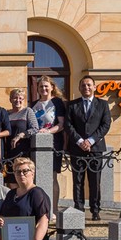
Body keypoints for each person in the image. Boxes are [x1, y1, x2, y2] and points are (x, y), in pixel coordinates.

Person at [32, 76, 67, 213]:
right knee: (36, 176)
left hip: (53, 144)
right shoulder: (34, 105)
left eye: (46, 86)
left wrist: (47, 132)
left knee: (52, 176)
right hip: (35, 145)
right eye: (41, 86)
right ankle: (40, 208)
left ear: (52, 87)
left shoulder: (57, 103)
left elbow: (61, 125)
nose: (44, 89)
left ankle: (53, 208)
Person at [6, 88, 39, 176]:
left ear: (24, 100)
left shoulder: (28, 111)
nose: (18, 100)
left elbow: (35, 128)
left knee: (22, 177)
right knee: (11, 179)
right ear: (10, 100)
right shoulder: (6, 113)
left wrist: (21, 135)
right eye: (15, 98)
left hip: (23, 151)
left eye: (20, 98)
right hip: (9, 151)